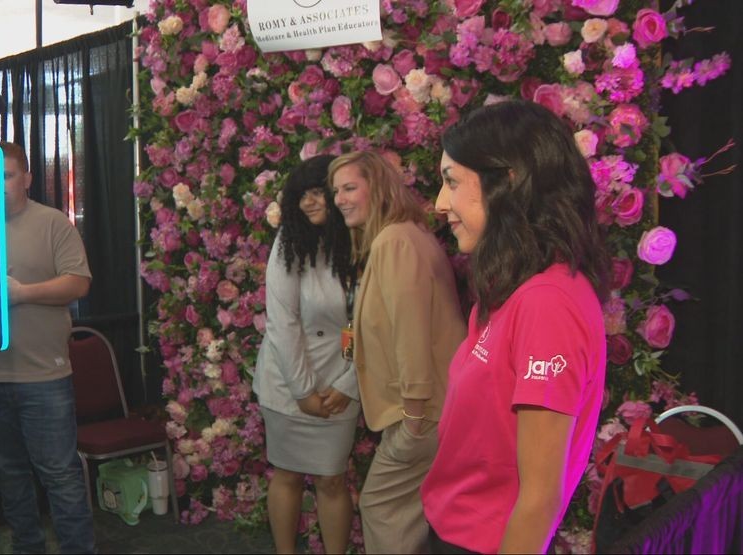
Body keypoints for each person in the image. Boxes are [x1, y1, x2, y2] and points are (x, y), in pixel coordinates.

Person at [421, 100, 610, 554]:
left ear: (507, 182)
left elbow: (539, 499)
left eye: (451, 182)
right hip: (458, 529)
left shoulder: (547, 304)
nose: (439, 203)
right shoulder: (512, 287)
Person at [330, 150, 466, 554]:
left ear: (380, 188)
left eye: (350, 187)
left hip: (424, 413)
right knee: (405, 515)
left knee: (380, 508)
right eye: (336, 190)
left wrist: (412, 417)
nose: (340, 199)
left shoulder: (395, 242)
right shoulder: (403, 236)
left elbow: (411, 335)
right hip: (435, 409)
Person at [0, 142, 95, 554]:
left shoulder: (52, 223)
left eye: (7, 175)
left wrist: (22, 294)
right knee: (9, 477)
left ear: (27, 178)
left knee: (60, 477)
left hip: (43, 377)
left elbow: (78, 283)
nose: (0, 185)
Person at [253, 155, 359, 554]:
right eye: (303, 195)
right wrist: (303, 392)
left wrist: (348, 384)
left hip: (341, 386)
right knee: (287, 474)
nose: (311, 202)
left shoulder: (360, 239)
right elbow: (283, 324)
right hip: (287, 383)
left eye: (321, 193)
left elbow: (370, 323)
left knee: (332, 478)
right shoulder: (288, 242)